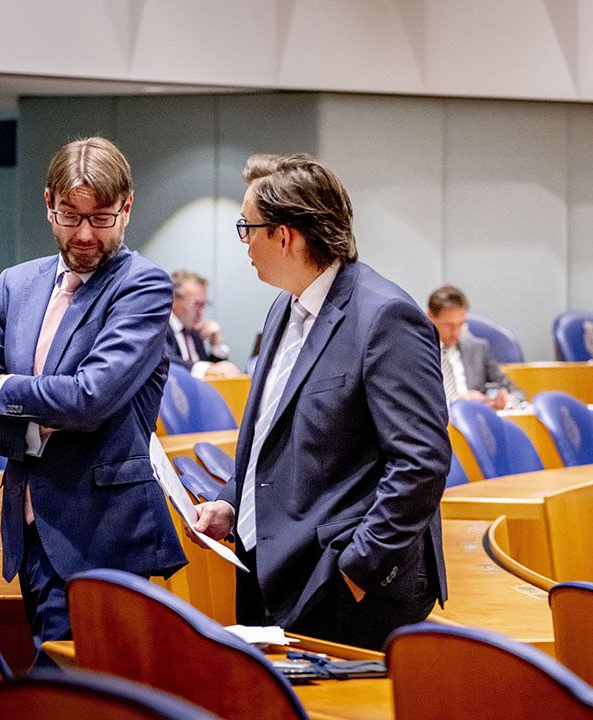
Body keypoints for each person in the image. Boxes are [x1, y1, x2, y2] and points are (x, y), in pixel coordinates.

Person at [0, 136, 186, 667]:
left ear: (127, 207)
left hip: (102, 534)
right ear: (47, 202)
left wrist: (6, 389)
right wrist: (33, 429)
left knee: (69, 694)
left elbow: (89, 398)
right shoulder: (16, 285)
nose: (82, 235)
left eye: (100, 219)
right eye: (68, 216)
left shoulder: (141, 285)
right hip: (28, 530)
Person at [190, 153, 449, 650]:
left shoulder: (385, 317)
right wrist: (230, 501)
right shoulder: (284, 307)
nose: (243, 241)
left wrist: (359, 568)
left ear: (284, 235)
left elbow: (421, 463)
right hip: (274, 569)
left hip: (344, 589)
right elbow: (274, 436)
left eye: (248, 227)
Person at [427, 284, 520, 410]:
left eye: (460, 324)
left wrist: (506, 401)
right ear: (430, 317)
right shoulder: (419, 352)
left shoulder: (479, 349)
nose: (455, 333)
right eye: (449, 325)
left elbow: (516, 393)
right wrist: (454, 402)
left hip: (477, 421)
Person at [166, 269, 240, 378]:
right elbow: (166, 362)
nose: (200, 312)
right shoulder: (159, 328)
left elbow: (217, 375)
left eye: (203, 305)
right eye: (195, 304)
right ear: (173, 299)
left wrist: (216, 344)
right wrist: (206, 369)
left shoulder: (194, 333)